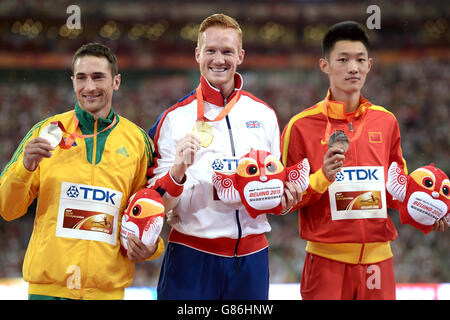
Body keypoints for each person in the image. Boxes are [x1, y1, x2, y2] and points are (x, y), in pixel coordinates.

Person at [281, 21, 448, 300]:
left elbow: (397, 190)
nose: (353, 67)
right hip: (325, 263)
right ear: (325, 65)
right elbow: (286, 201)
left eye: (360, 59)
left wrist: (429, 212)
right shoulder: (300, 126)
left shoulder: (386, 121)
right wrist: (322, 178)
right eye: (343, 59)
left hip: (379, 261)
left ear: (370, 64)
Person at [147, 13, 302, 300]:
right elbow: (156, 203)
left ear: (240, 55)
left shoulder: (264, 115)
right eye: (211, 51)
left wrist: (284, 202)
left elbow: (273, 194)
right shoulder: (173, 120)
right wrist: (178, 171)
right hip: (191, 257)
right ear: (197, 54)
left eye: (227, 51)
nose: (219, 59)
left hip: (252, 259)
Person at [0, 43, 164, 300]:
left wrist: (152, 247)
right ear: (73, 82)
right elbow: (7, 209)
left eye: (98, 77)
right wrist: (25, 167)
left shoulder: (138, 142)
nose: (89, 87)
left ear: (116, 82)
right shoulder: (46, 132)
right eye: (82, 78)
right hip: (48, 292)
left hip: (106, 293)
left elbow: (150, 208)